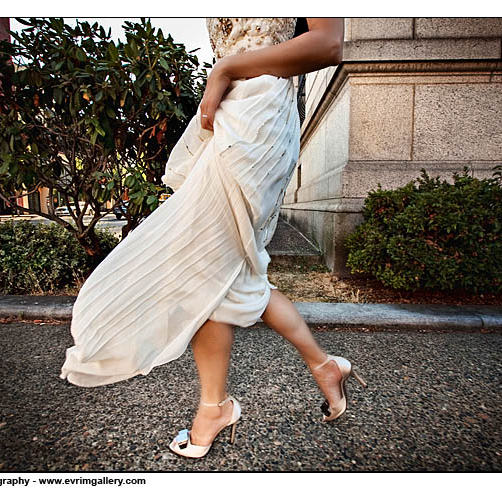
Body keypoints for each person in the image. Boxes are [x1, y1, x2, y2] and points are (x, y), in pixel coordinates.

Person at [60, 18, 366, 460]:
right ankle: (321, 367)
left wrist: (221, 72)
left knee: (206, 263)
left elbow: (327, 44)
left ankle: (217, 407)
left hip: (258, 121)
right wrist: (222, 79)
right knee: (226, 268)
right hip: (231, 114)